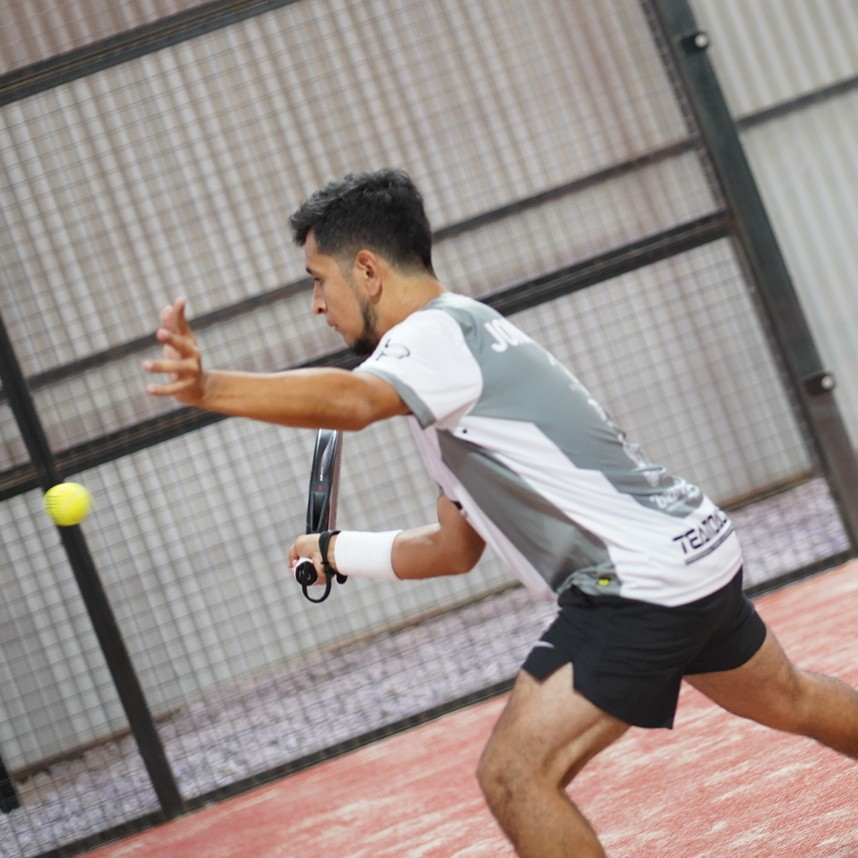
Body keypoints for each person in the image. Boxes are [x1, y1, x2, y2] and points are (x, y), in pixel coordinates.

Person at [143, 168, 858, 857]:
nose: (316, 304)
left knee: (516, 776)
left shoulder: (430, 338)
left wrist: (208, 388)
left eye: (317, 279)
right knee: (789, 697)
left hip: (638, 582)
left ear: (367, 270)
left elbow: (353, 402)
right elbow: (454, 549)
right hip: (694, 548)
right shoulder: (463, 340)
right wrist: (337, 552)